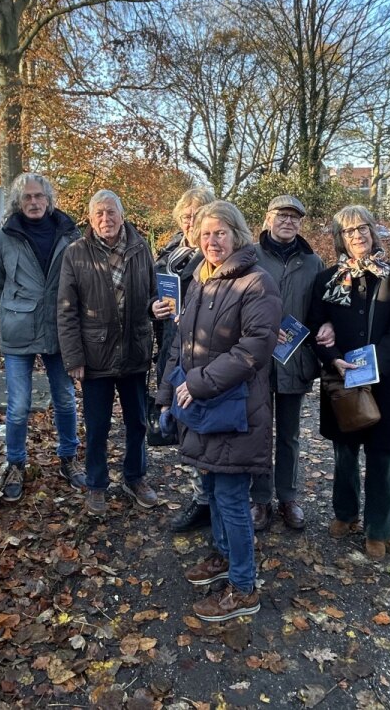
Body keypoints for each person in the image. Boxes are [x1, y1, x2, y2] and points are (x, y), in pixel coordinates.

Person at [157, 200, 281, 622]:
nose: (212, 241)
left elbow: (255, 348)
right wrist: (166, 391)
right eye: (206, 234)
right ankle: (224, 556)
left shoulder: (256, 282)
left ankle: (244, 587)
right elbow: (181, 342)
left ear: (238, 235)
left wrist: (197, 382)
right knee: (211, 490)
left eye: (220, 233)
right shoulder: (199, 281)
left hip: (237, 409)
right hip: (200, 406)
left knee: (230, 498)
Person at [309, 206, 390, 558]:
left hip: (388, 381)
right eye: (349, 230)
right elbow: (316, 326)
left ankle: (378, 529)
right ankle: (345, 513)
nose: (357, 235)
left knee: (384, 458)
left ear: (373, 231)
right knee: (345, 453)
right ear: (340, 237)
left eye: (362, 228)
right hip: (341, 380)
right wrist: (332, 357)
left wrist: (372, 366)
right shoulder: (327, 279)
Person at [58, 190, 158, 516]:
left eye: (111, 212)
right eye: (99, 213)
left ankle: (135, 477)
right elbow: (66, 311)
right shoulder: (76, 253)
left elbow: (155, 296)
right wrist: (73, 358)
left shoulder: (141, 248)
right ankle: (97, 484)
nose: (106, 219)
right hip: (95, 354)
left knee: (138, 422)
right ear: (90, 218)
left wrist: (157, 311)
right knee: (97, 425)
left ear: (122, 214)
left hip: (134, 352)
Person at [0, 172, 85, 502]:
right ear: (19, 202)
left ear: (48, 199)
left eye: (38, 196)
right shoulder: (5, 237)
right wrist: (18, 308)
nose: (33, 202)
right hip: (20, 329)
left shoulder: (69, 233)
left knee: (65, 399)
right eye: (27, 197)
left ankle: (68, 459)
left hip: (60, 328)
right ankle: (15, 463)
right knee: (18, 406)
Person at [251, 195, 324, 531]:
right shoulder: (250, 255)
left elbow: (322, 309)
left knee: (290, 435)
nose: (288, 221)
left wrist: (325, 328)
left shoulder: (313, 262)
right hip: (257, 361)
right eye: (282, 215)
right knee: (260, 432)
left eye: (295, 216)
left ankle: (288, 497)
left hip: (295, 360)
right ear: (268, 218)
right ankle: (261, 499)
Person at [153, 187, 216, 532]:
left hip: (202, 355)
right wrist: (154, 306)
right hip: (171, 349)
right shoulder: (170, 252)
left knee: (204, 428)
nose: (190, 221)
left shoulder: (214, 253)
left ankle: (210, 501)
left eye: (197, 214)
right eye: (185, 215)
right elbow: (153, 292)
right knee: (184, 429)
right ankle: (201, 496)